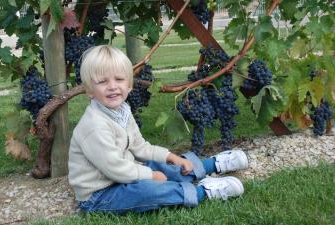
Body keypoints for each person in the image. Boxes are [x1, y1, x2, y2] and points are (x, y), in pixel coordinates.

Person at [68, 45, 249, 214]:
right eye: (102, 81)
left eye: (119, 79)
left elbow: (140, 147)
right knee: (146, 190)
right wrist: (150, 176)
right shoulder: (94, 126)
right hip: (100, 194)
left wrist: (172, 157)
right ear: (90, 90)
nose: (113, 86)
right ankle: (202, 191)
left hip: (123, 172)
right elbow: (115, 168)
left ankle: (210, 166)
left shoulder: (122, 110)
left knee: (159, 164)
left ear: (129, 85)